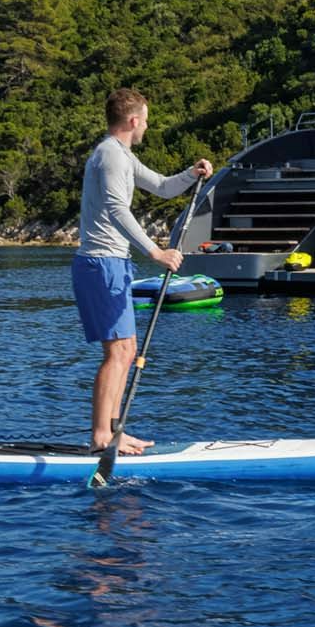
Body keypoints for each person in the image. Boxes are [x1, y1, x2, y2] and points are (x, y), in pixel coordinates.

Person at [74, 87, 212, 455]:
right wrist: (156, 252)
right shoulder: (110, 156)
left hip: (114, 263)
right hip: (101, 263)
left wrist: (191, 173)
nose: (147, 126)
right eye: (146, 120)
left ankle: (114, 431)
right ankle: (100, 435)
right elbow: (118, 210)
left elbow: (164, 188)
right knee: (118, 351)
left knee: (127, 348)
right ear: (134, 120)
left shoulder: (122, 155)